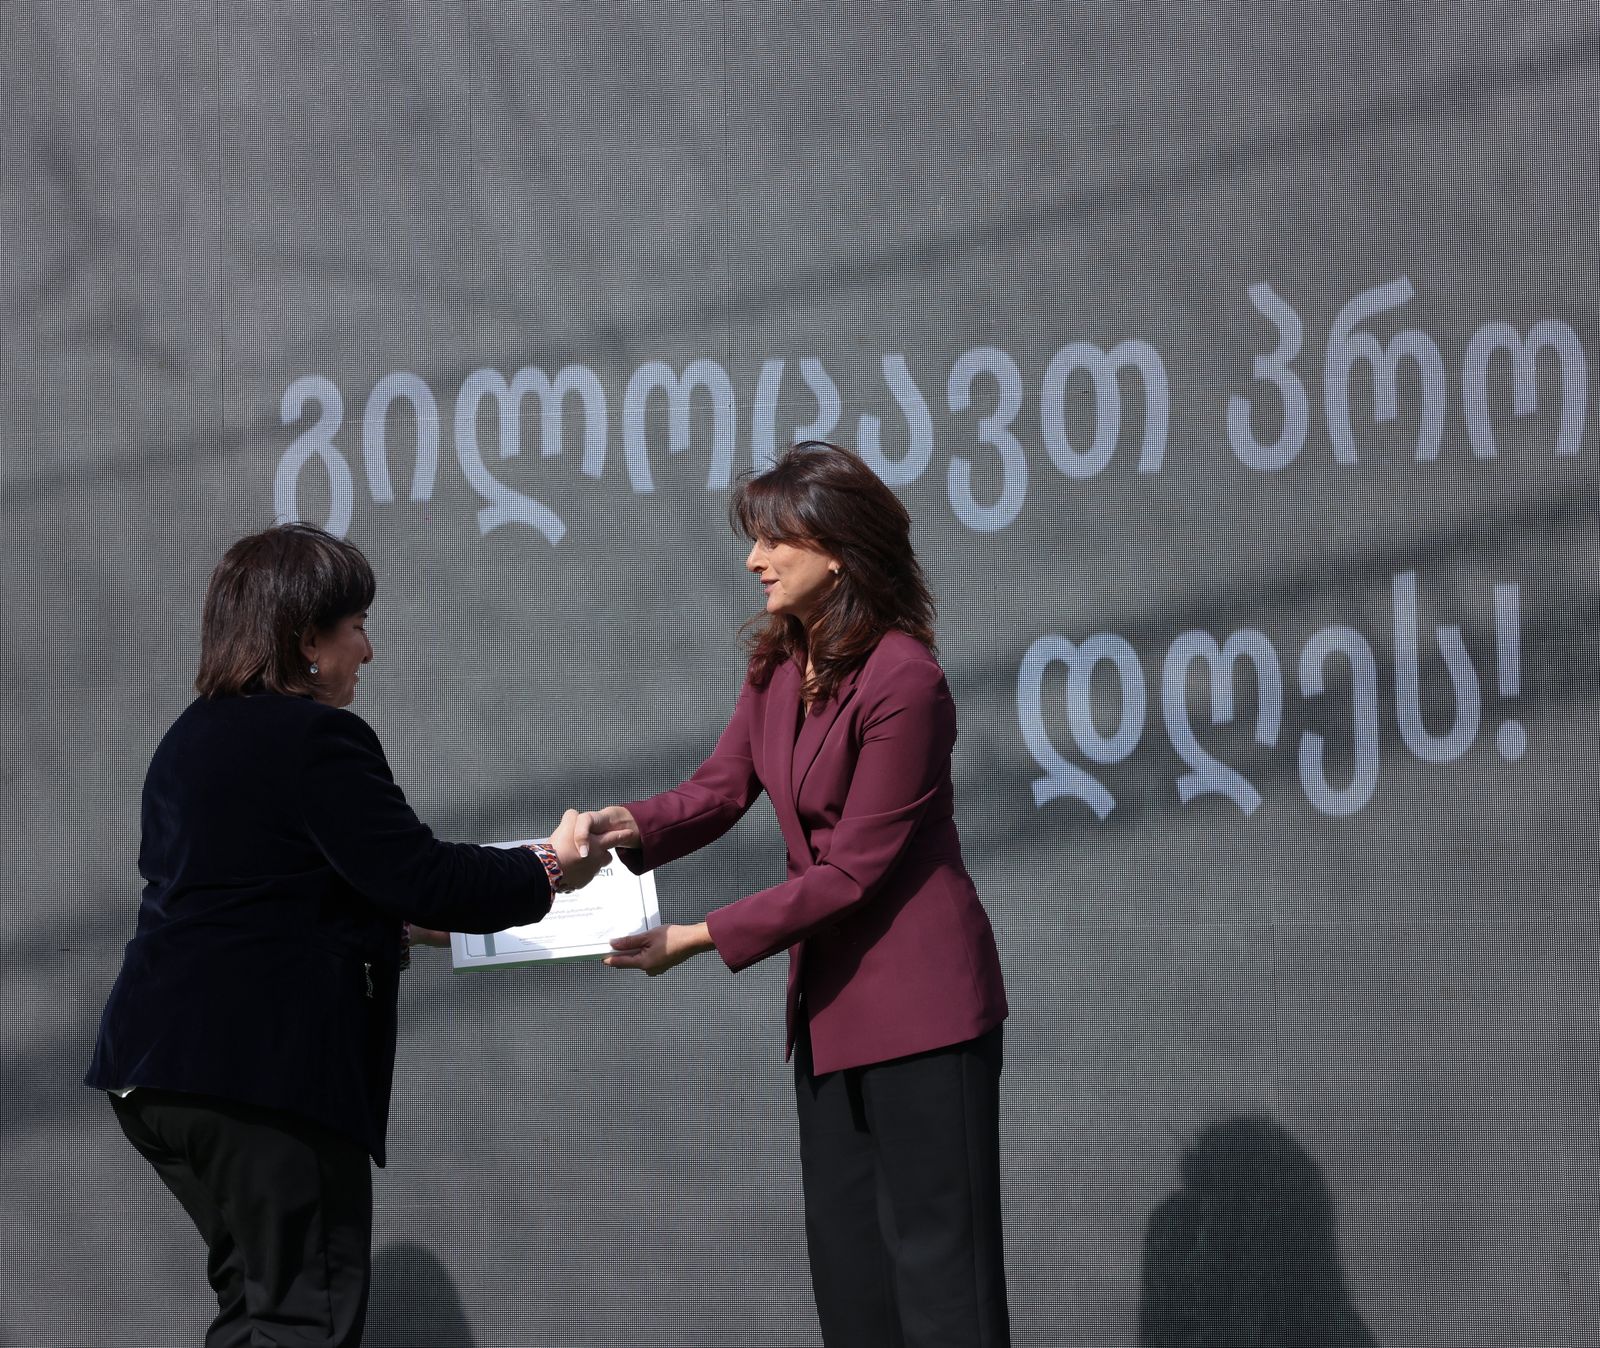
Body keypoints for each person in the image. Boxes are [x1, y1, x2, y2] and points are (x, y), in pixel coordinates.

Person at [85, 522, 607, 1348]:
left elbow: (261, 891)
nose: (368, 649)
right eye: (355, 626)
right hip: (264, 1078)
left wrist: (390, 924)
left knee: (254, 1309)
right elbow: (421, 873)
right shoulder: (316, 739)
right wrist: (550, 866)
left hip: (156, 1079)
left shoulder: (188, 738)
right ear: (306, 640)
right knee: (305, 1320)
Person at [578, 441, 1011, 1348]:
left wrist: (697, 936)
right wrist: (626, 825)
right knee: (852, 1290)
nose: (753, 559)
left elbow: (851, 873)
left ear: (840, 550)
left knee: (945, 1290)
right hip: (828, 1018)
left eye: (774, 539)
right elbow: (718, 791)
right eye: (754, 539)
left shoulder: (906, 680)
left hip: (927, 1019)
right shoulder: (778, 665)